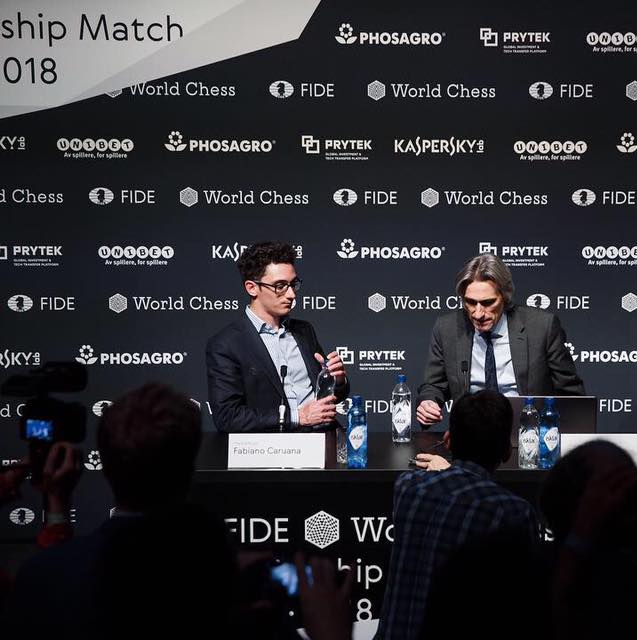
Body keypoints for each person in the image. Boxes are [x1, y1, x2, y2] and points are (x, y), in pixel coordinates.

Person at [6, 384, 236, 639]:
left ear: (105, 466)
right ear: (189, 468)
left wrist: (56, 504)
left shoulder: (47, 574)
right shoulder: (214, 565)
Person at [376, 391, 540, 640]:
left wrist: (449, 470)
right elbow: (527, 606)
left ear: (447, 440)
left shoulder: (407, 487)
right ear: (507, 451)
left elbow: (454, 490)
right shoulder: (513, 512)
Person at [416, 253, 583, 427]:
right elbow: (434, 385)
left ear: (505, 296)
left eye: (488, 303)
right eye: (470, 302)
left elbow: (571, 395)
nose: (478, 314)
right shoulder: (447, 328)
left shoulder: (542, 328)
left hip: (529, 431)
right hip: (469, 433)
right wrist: (428, 401)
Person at [206, 241, 349, 432]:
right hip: (274, 445)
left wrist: (337, 381)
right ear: (252, 288)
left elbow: (329, 398)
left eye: (293, 284)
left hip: (324, 437)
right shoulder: (226, 344)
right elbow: (228, 417)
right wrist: (299, 417)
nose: (291, 294)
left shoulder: (304, 331)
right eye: (280, 286)